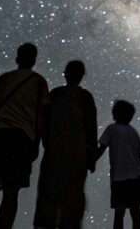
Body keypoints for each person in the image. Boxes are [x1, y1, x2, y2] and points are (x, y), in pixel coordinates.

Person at [0, 43, 51, 229]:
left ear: (17, 58)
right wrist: (36, 144)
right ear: (34, 60)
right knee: (11, 191)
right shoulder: (39, 82)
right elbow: (40, 118)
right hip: (22, 139)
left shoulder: (3, 79)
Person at [33, 60, 98, 229]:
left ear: (65, 73)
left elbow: (43, 123)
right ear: (82, 76)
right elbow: (91, 128)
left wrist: (45, 143)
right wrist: (91, 156)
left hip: (54, 154)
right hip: (77, 155)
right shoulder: (85, 97)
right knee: (72, 199)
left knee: (48, 197)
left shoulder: (54, 94)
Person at [95, 100, 140, 229]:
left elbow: (101, 148)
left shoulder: (112, 129)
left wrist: (90, 161)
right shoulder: (133, 132)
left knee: (119, 213)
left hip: (119, 178)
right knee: (136, 213)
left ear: (115, 113)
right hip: (137, 178)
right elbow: (138, 154)